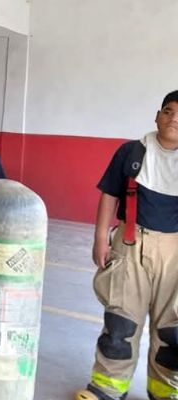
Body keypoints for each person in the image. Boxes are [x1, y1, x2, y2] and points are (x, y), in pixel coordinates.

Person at [75, 90, 178, 400]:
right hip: (131, 244)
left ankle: (165, 390)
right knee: (121, 320)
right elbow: (109, 195)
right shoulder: (132, 153)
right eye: (168, 111)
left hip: (175, 252)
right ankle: (107, 386)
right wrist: (99, 240)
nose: (173, 118)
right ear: (157, 116)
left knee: (172, 329)